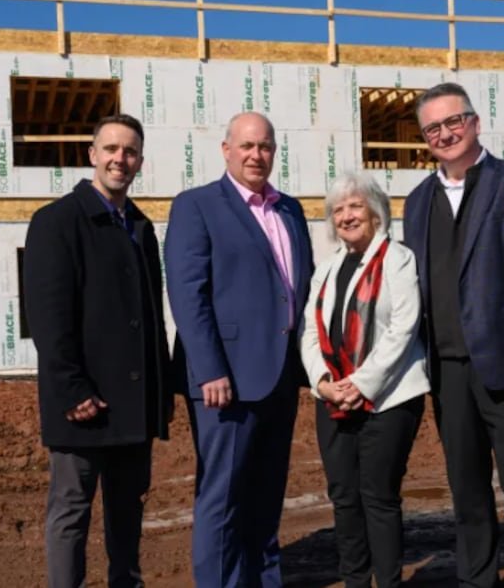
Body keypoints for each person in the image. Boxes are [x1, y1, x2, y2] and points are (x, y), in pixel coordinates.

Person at [403, 82, 504, 587]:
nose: (444, 133)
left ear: (474, 122)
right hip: (446, 368)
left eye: (453, 121)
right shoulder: (418, 201)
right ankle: (476, 579)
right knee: (466, 488)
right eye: (433, 128)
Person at [164, 112, 314, 587]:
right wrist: (209, 368)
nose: (256, 155)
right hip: (225, 381)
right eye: (246, 146)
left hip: (280, 377)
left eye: (265, 146)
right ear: (226, 150)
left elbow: (299, 289)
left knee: (267, 496)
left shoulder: (290, 210)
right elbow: (188, 293)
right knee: (223, 499)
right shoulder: (197, 205)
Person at [22, 113, 172, 588]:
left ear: (140, 161)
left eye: (129, 152)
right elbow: (47, 318)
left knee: (128, 511)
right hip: (83, 406)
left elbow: (149, 318)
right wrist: (70, 389)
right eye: (110, 149)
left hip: (133, 405)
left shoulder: (140, 227)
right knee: (71, 510)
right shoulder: (57, 222)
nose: (119, 159)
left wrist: (159, 392)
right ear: (92, 154)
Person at [299, 172, 430, 588]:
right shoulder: (326, 269)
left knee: (379, 497)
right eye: (338, 210)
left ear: (376, 213)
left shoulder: (398, 259)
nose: (346, 216)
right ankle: (356, 581)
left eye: (355, 206)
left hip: (388, 398)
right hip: (332, 399)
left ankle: (388, 582)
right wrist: (323, 382)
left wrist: (361, 384)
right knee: (344, 497)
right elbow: (310, 330)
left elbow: (404, 327)